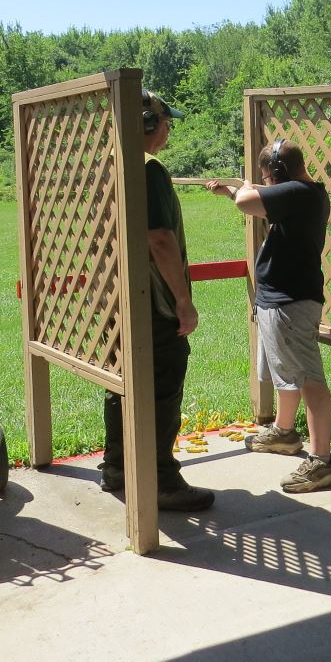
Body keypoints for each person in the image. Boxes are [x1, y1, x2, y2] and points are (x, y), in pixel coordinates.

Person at [99, 89, 215, 512]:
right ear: (148, 124)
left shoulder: (111, 165)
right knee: (163, 387)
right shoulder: (148, 170)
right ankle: (162, 480)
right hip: (153, 302)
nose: (168, 130)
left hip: (118, 299)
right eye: (166, 122)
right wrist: (183, 301)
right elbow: (160, 239)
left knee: (121, 385)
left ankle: (117, 466)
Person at [208, 138, 331, 493]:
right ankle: (284, 432)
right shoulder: (299, 194)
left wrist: (244, 188)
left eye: (268, 177)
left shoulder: (299, 192)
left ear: (278, 172)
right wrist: (230, 192)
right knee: (286, 374)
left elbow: (248, 201)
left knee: (308, 378)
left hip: (290, 302)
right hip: (280, 300)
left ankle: (322, 461)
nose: (266, 183)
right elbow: (258, 205)